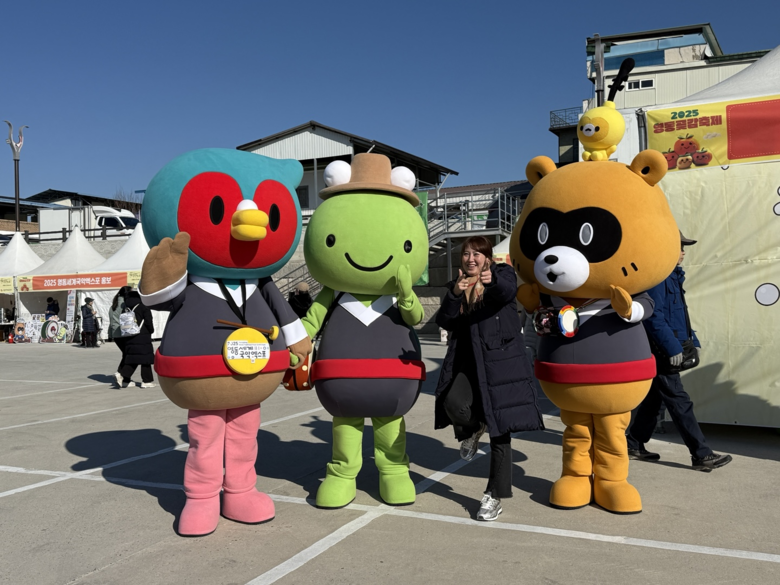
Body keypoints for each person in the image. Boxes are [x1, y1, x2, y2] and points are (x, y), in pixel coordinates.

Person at [434, 236, 544, 521]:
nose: (471, 259)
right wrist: (454, 294)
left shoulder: (502, 273)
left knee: (500, 430)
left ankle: (494, 495)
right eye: (466, 254)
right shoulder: (458, 283)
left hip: (500, 364)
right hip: (468, 363)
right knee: (453, 403)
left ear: (487, 257)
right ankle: (473, 429)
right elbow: (444, 321)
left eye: (477, 254)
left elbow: (507, 293)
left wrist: (491, 280)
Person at [627, 231, 732, 471]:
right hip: (662, 349)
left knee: (654, 399)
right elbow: (653, 317)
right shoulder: (657, 278)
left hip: (670, 345)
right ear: (664, 249)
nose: (683, 252)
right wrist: (673, 347)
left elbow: (679, 314)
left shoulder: (672, 275)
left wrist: (692, 340)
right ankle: (701, 455)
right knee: (679, 401)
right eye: (679, 247)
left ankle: (633, 444)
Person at [116, 289, 156, 388]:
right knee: (145, 359)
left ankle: (125, 380)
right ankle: (146, 381)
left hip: (129, 336)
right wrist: (151, 331)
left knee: (133, 358)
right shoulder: (143, 307)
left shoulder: (125, 308)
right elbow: (148, 321)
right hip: (142, 336)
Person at [109, 286, 132, 386]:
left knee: (126, 354)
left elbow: (111, 321)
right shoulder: (125, 305)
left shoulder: (113, 306)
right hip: (123, 333)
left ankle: (122, 376)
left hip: (115, 334)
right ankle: (120, 374)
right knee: (128, 354)